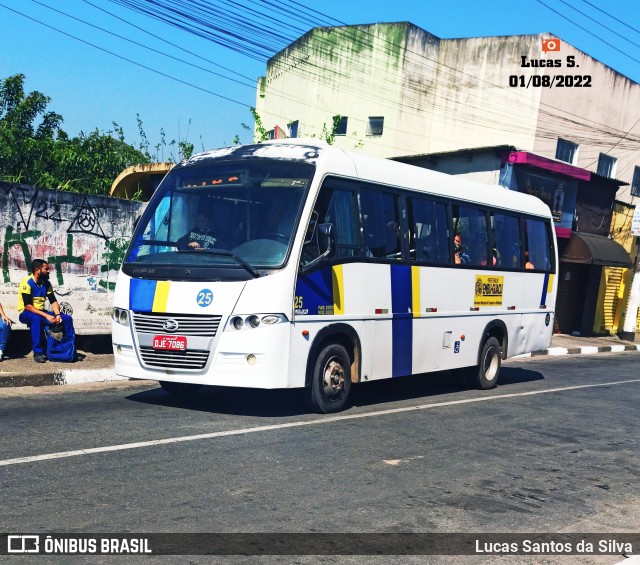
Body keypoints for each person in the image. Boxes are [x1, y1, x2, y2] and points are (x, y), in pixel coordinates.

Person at [18, 259, 75, 363]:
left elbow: (53, 301)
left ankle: (68, 350)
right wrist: (47, 316)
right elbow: (28, 306)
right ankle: (38, 352)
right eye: (46, 269)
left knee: (67, 319)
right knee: (36, 319)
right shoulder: (26, 283)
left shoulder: (47, 284)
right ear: (37, 270)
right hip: (26, 313)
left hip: (41, 312)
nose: (49, 271)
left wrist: (57, 314)